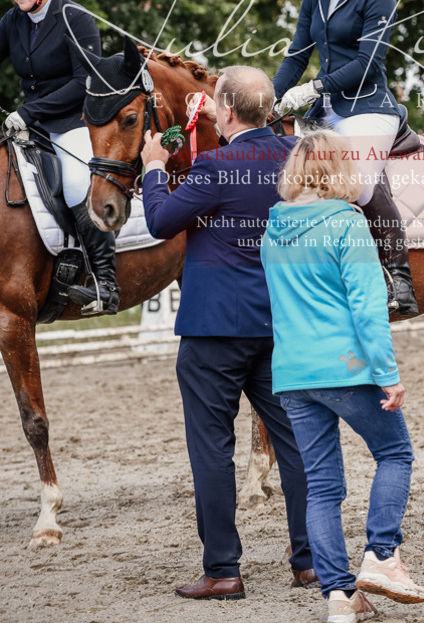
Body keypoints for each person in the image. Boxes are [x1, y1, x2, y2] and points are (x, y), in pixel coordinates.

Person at [140, 65, 316, 601]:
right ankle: (310, 560)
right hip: (281, 323)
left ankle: (223, 569)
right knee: (296, 444)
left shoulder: (215, 165)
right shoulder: (297, 162)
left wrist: (153, 167)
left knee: (212, 450)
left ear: (229, 112)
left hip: (214, 328)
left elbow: (160, 221)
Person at [261, 129, 424, 623]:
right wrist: (387, 374)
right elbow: (368, 308)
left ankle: (339, 596)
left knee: (322, 487)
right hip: (347, 368)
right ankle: (381, 555)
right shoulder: (347, 223)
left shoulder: (273, 228)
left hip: (292, 373)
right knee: (395, 454)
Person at [272, 0, 419, 317]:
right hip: (324, 111)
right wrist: (270, 99)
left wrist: (315, 89)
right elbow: (297, 55)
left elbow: (368, 61)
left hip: (368, 108)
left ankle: (399, 277)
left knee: (359, 183)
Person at [0, 0, 119, 313]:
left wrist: (28, 113)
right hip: (30, 126)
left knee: (72, 184)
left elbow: (83, 83)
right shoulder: (12, 22)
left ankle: (105, 283)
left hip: (72, 123)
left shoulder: (77, 19)